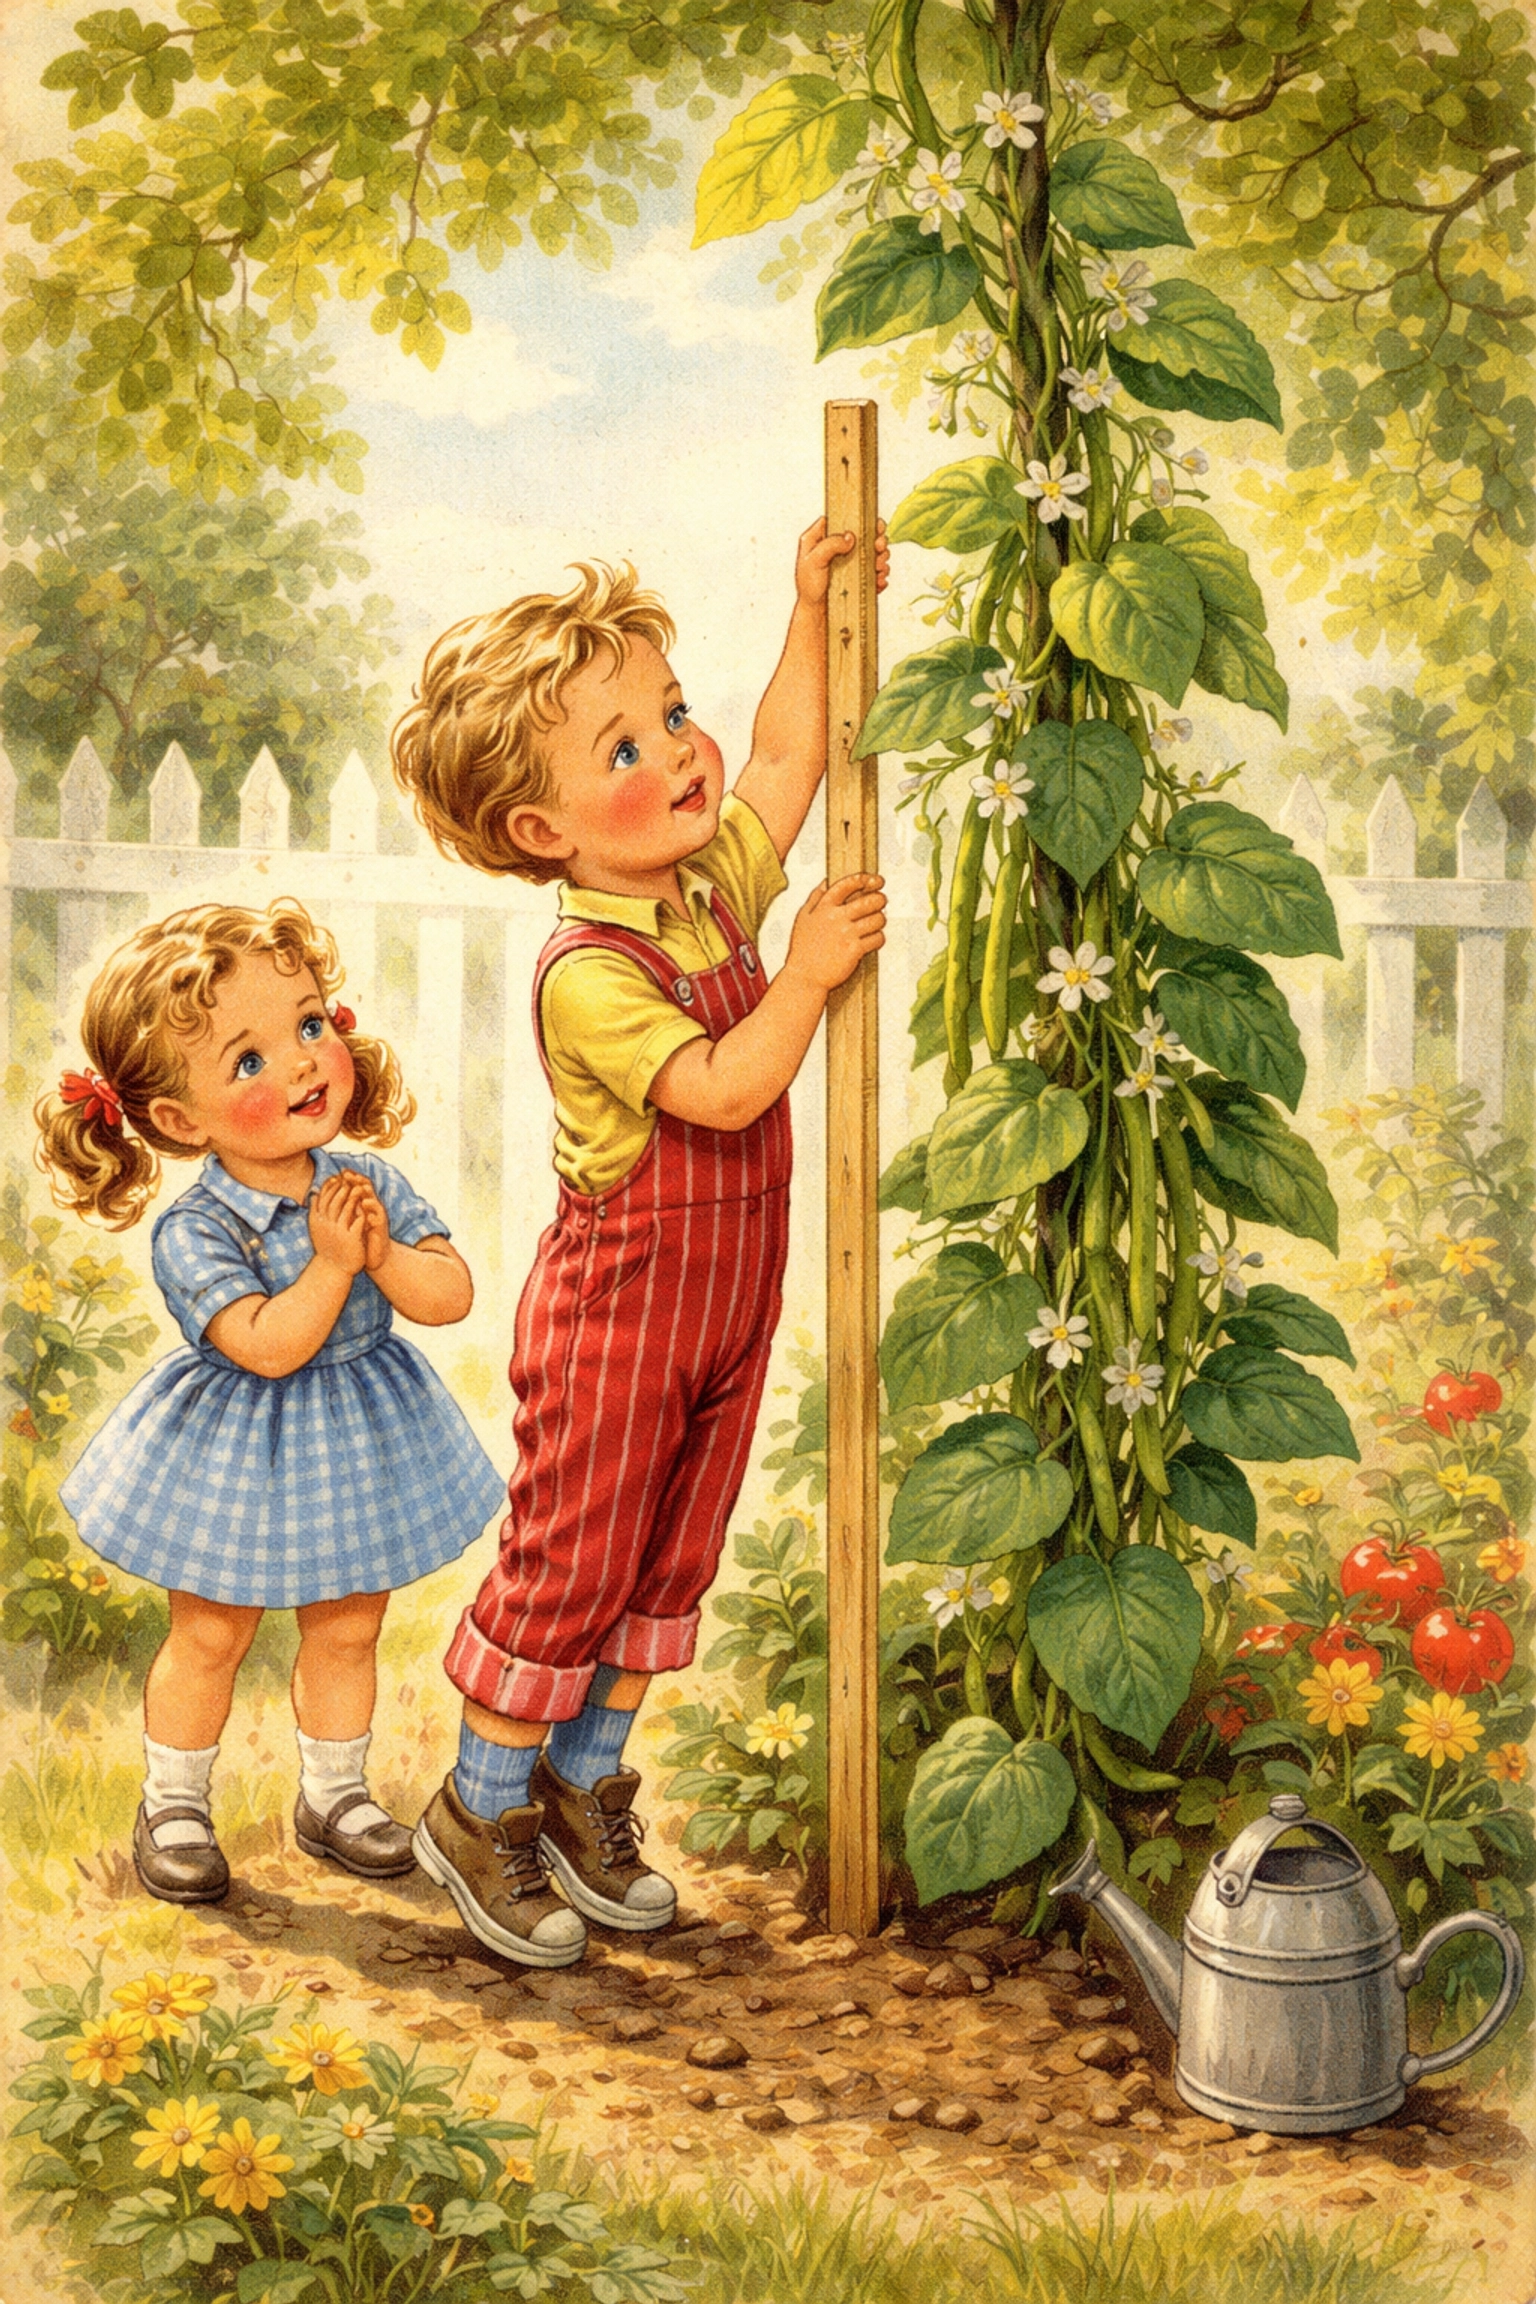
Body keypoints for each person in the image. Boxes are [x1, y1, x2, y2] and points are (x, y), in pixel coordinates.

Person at [390, 517, 887, 1967]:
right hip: (620, 1321)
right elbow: (727, 1091)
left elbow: (789, 762)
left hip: (725, 1312)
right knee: (576, 1563)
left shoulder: (705, 891)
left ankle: (580, 1787)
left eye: (671, 714)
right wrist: (803, 974)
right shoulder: (591, 973)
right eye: (624, 749)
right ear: (543, 833)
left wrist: (806, 607)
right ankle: (480, 1811)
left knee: (670, 1563)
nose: (678, 751)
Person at [35, 900, 505, 1910]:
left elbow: (450, 1294)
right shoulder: (196, 1228)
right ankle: (175, 1806)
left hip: (360, 1441)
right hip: (238, 1454)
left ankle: (334, 1797)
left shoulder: (365, 1180)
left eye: (307, 1026)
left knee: (346, 1628)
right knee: (212, 1637)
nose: (299, 1064)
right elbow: (266, 1346)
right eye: (248, 1061)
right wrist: (337, 1266)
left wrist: (382, 1249)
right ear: (178, 1120)